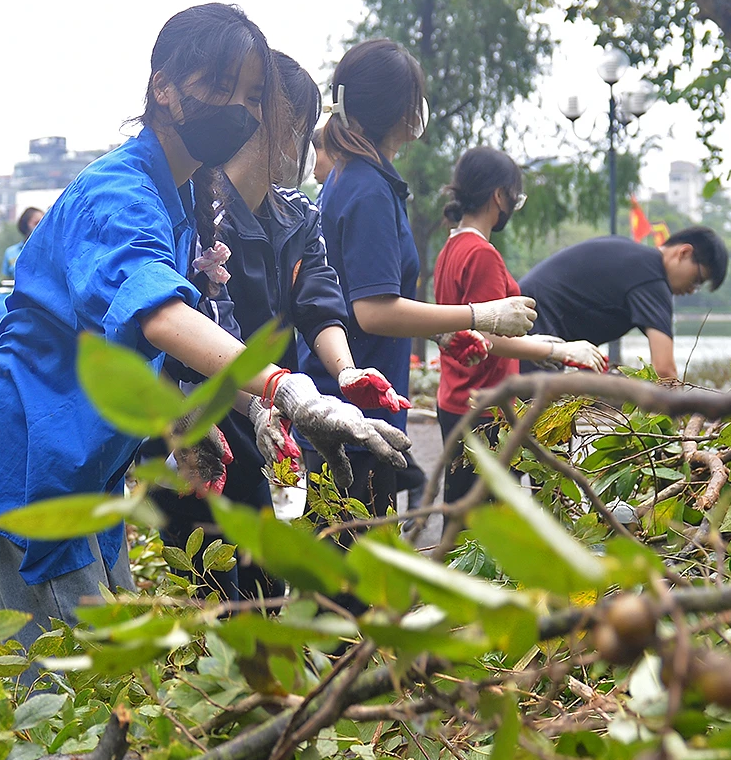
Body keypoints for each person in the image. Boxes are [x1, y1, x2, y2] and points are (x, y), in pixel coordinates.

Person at [0, 5, 409, 648]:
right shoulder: (120, 193)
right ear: (163, 87)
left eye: (252, 95)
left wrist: (180, 422)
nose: (239, 110)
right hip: (38, 474)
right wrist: (280, 387)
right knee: (64, 700)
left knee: (100, 687)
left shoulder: (180, 201)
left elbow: (115, 341)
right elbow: (159, 315)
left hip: (87, 476)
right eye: (221, 87)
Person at [157, 51, 399, 598]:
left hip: (274, 411)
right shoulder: (194, 214)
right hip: (199, 423)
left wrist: (346, 370)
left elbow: (319, 300)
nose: (311, 145)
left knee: (270, 580)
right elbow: (180, 335)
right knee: (214, 591)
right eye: (303, 128)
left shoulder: (296, 214)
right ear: (269, 122)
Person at [298, 39, 537, 513]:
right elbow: (372, 311)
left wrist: (446, 330)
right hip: (358, 422)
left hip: (352, 412)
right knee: (361, 576)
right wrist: (481, 314)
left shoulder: (357, 177)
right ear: (402, 111)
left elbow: (354, 295)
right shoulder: (367, 188)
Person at [431, 147, 603, 504]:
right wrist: (559, 349)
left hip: (454, 399)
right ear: (499, 195)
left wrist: (542, 342)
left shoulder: (451, 248)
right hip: (485, 409)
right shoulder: (481, 254)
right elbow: (492, 338)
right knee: (486, 527)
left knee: (463, 515)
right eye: (515, 197)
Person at [518, 228, 729, 381]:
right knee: (522, 427)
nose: (692, 290)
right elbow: (665, 372)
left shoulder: (635, 258)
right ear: (684, 253)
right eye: (697, 280)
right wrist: (679, 430)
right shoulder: (652, 277)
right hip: (533, 327)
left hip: (524, 318)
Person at [2, 207, 44, 280]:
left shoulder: (50, 253)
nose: (41, 227)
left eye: (43, 223)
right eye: (36, 223)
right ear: (25, 225)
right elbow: (4, 283)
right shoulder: (11, 253)